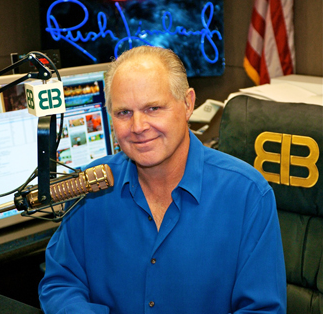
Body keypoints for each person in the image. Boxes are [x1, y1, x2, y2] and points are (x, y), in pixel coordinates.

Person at [38, 46, 286, 313]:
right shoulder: (89, 187)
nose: (138, 127)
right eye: (124, 113)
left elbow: (262, 309)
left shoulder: (248, 194)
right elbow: (61, 283)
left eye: (153, 108)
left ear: (188, 104)